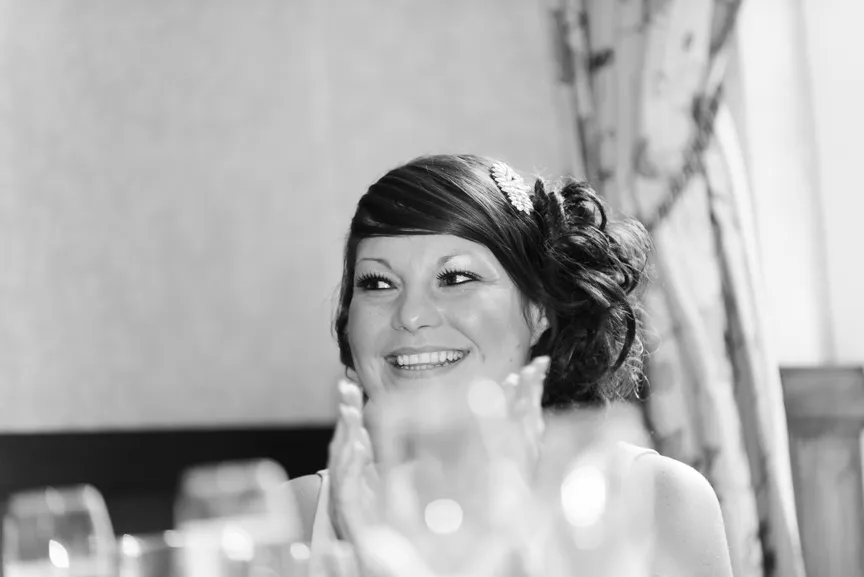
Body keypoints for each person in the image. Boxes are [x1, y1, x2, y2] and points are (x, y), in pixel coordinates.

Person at [289, 154, 733, 576]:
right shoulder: (296, 517)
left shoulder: (658, 500)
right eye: (378, 283)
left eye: (456, 278)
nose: (411, 314)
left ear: (539, 307)